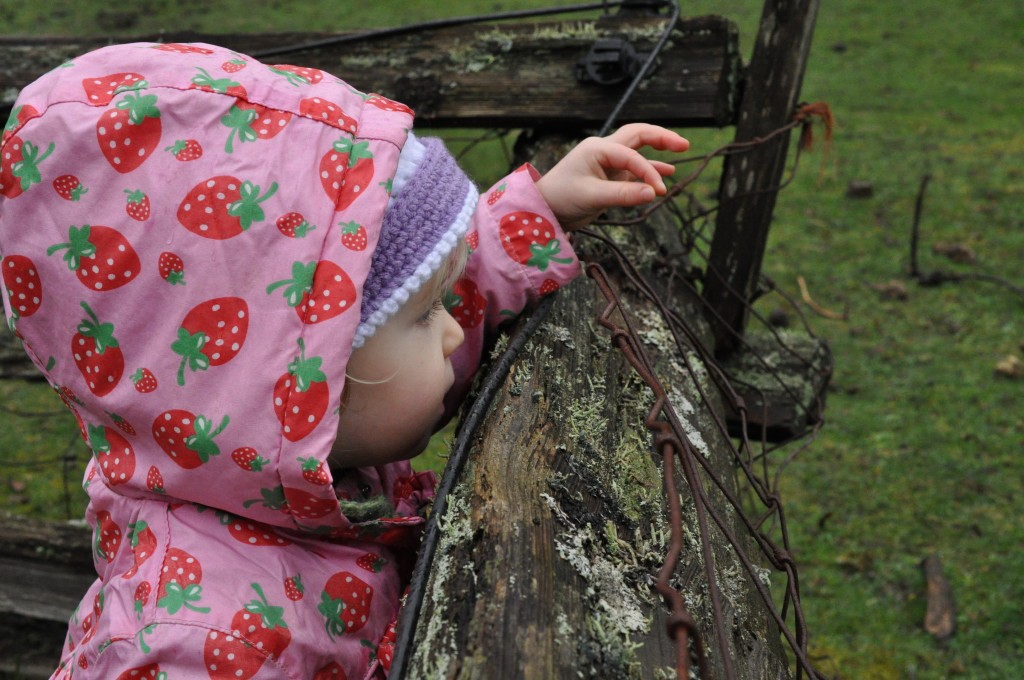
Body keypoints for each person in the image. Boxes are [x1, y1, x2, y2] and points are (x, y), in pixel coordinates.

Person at [0, 41, 688, 678]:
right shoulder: (192, 646)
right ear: (288, 379)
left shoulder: (286, 455)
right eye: (429, 314)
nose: (453, 336)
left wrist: (536, 211)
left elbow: (387, 326)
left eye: (442, 302)